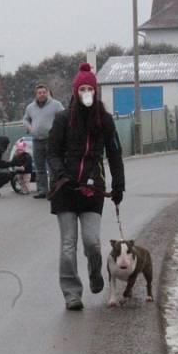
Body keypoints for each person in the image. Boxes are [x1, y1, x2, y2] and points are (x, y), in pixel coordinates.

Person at [47, 63, 125, 311]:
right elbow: (52, 153)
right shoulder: (61, 120)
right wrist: (62, 175)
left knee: (92, 242)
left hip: (93, 190)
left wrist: (118, 184)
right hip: (66, 190)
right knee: (68, 246)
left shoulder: (105, 121)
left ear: (96, 91)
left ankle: (95, 272)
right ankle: (72, 293)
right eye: (82, 89)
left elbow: (114, 154)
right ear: (75, 92)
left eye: (90, 88)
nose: (86, 93)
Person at [23, 84, 64, 199]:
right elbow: (25, 119)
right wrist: (30, 128)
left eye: (43, 92)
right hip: (37, 140)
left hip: (52, 140)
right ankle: (42, 191)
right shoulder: (30, 107)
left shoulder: (56, 104)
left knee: (52, 167)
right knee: (39, 167)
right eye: (39, 93)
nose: (42, 94)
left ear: (47, 93)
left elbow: (64, 116)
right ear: (36, 94)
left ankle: (55, 189)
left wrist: (58, 129)